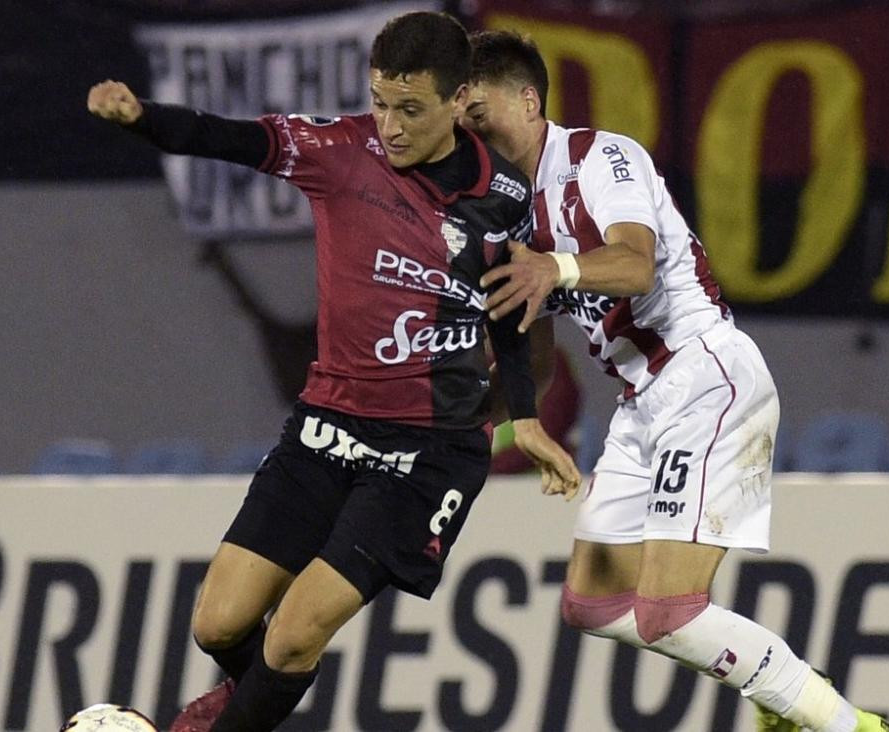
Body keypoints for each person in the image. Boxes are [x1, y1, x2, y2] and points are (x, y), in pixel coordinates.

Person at [88, 13, 581, 732]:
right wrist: (140, 119)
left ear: (457, 100)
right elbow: (230, 138)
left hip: (430, 451)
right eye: (380, 101)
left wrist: (526, 418)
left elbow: (508, 312)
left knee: (292, 635)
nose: (390, 124)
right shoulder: (342, 149)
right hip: (328, 426)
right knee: (220, 627)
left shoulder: (502, 197)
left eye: (410, 109)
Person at [461, 30, 889, 732]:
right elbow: (534, 365)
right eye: (460, 122)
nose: (469, 133)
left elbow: (635, 264)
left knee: (667, 612)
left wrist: (556, 269)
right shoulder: (507, 212)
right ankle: (785, 684)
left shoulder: (600, 157)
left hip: (705, 374)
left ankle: (849, 726)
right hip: (641, 406)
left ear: (527, 99)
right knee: (592, 604)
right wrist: (461, 417)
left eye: (477, 114)